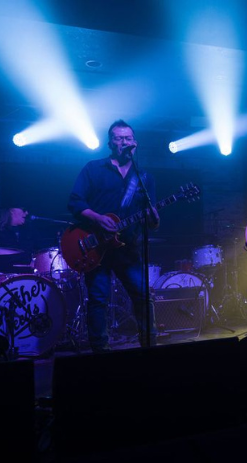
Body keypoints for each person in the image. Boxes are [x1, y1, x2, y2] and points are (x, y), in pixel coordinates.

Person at [67, 119, 159, 352]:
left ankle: (149, 346)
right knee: (98, 300)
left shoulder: (144, 177)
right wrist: (98, 218)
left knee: (143, 297)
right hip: (96, 247)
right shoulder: (93, 168)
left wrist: (154, 217)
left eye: (128, 138)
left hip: (129, 248)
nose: (124, 142)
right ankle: (100, 351)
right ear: (110, 143)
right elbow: (75, 202)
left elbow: (151, 220)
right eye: (119, 138)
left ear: (135, 143)